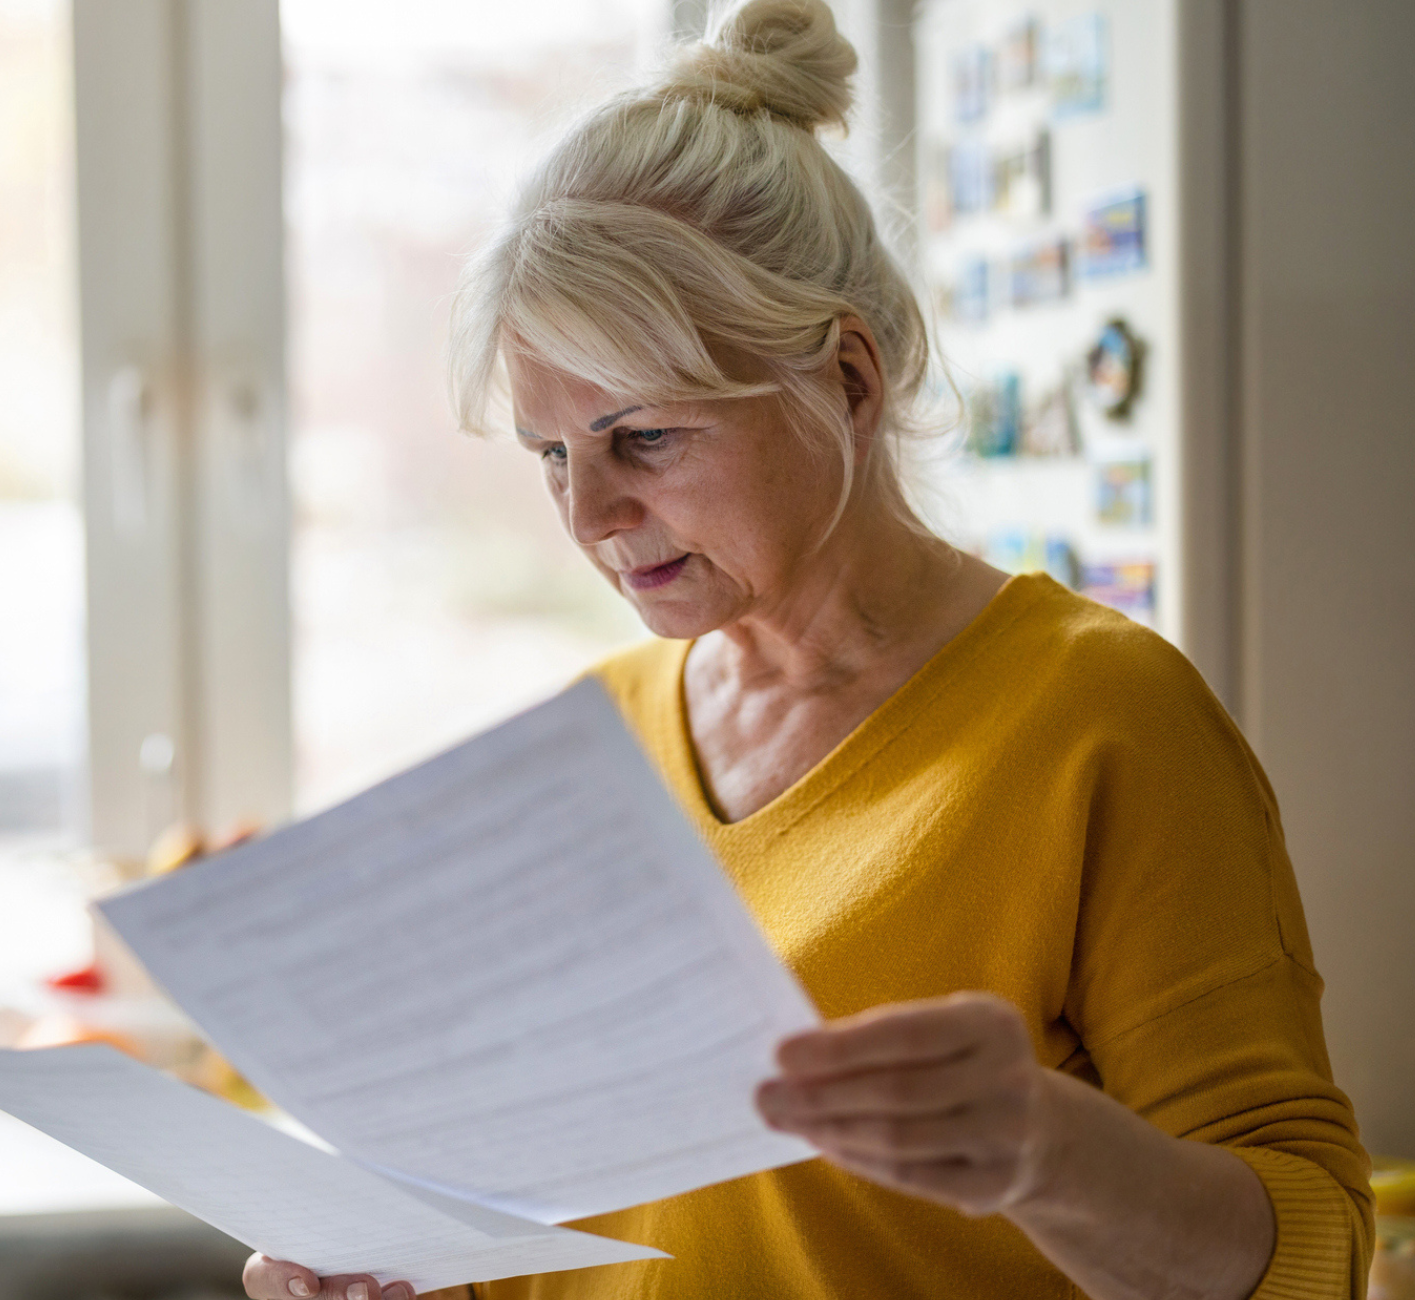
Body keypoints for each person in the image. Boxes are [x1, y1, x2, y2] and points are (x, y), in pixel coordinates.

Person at [245, 1, 1372, 1296]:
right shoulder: (588, 739)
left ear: (848, 376)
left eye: (644, 436)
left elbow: (1316, 1250)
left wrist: (1050, 1155)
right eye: (552, 454)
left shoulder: (1099, 718)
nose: (591, 516)